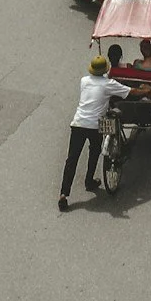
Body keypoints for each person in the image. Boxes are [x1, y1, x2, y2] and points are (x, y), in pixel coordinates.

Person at [60, 56, 131, 209]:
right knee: (94, 152)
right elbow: (129, 92)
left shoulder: (84, 81)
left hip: (78, 123)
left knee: (72, 159)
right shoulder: (108, 84)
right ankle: (89, 180)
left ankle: (63, 194)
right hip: (94, 126)